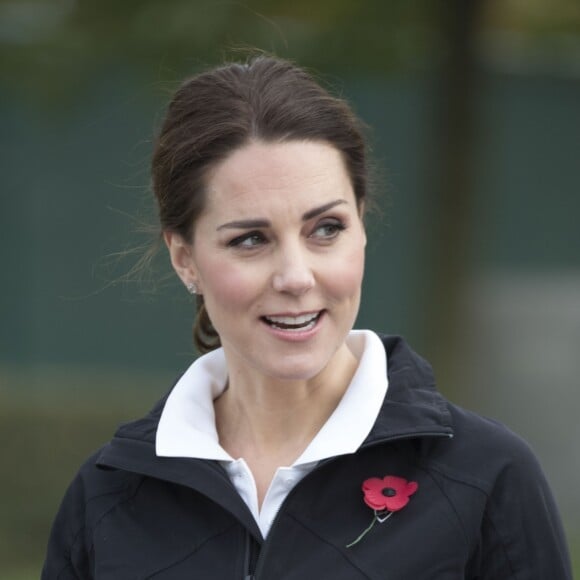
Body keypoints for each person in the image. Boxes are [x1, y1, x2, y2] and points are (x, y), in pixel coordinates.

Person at [42, 55, 572, 579]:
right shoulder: (107, 498)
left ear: (361, 227)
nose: (295, 277)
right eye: (251, 239)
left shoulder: (487, 477)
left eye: (326, 229)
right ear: (185, 259)